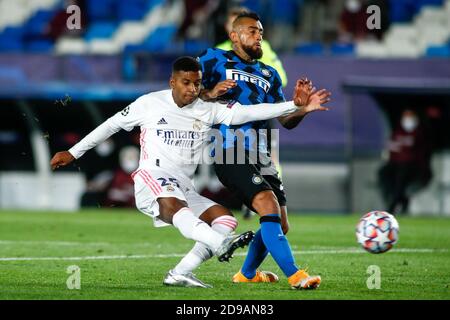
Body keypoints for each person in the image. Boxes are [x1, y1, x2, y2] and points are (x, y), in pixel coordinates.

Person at [50, 56, 330, 288]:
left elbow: (251, 112)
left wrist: (295, 104)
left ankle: (180, 273)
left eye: (197, 84)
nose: (192, 89)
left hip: (183, 185)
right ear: (172, 82)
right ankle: (221, 244)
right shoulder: (149, 103)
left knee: (224, 219)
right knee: (175, 206)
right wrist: (73, 152)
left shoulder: (207, 110)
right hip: (152, 176)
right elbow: (110, 125)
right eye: (186, 83)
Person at [198, 12, 328, 289]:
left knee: (280, 224)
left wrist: (303, 109)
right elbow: (182, 93)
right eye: (252, 31)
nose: (259, 36)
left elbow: (286, 121)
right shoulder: (212, 59)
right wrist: (209, 93)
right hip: (229, 149)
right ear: (234, 36)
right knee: (267, 205)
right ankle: (296, 275)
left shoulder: (269, 74)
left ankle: (246, 275)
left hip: (262, 154)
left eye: (260, 31)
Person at [215, 7, 288, 87]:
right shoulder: (219, 49)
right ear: (226, 27)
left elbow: (281, 79)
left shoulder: (263, 47)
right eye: (232, 25)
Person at [378, 109, 432, 215]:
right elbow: (391, 149)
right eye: (406, 117)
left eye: (410, 116)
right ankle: (398, 199)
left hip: (414, 168)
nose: (408, 120)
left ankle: (392, 206)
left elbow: (420, 155)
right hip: (395, 165)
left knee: (402, 174)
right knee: (383, 173)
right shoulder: (397, 132)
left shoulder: (420, 134)